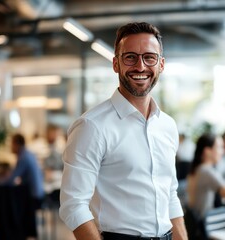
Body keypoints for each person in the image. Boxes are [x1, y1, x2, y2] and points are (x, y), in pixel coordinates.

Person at [59, 22, 188, 240]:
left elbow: (170, 195)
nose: (140, 66)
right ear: (116, 64)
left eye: (149, 57)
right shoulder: (92, 126)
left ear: (161, 64)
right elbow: (73, 205)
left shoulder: (167, 126)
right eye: (130, 57)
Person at [0, 133, 45, 209]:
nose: (10, 147)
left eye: (11, 144)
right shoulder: (29, 154)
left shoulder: (23, 157)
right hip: (39, 194)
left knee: (6, 202)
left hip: (33, 198)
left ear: (17, 144)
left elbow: (11, 180)